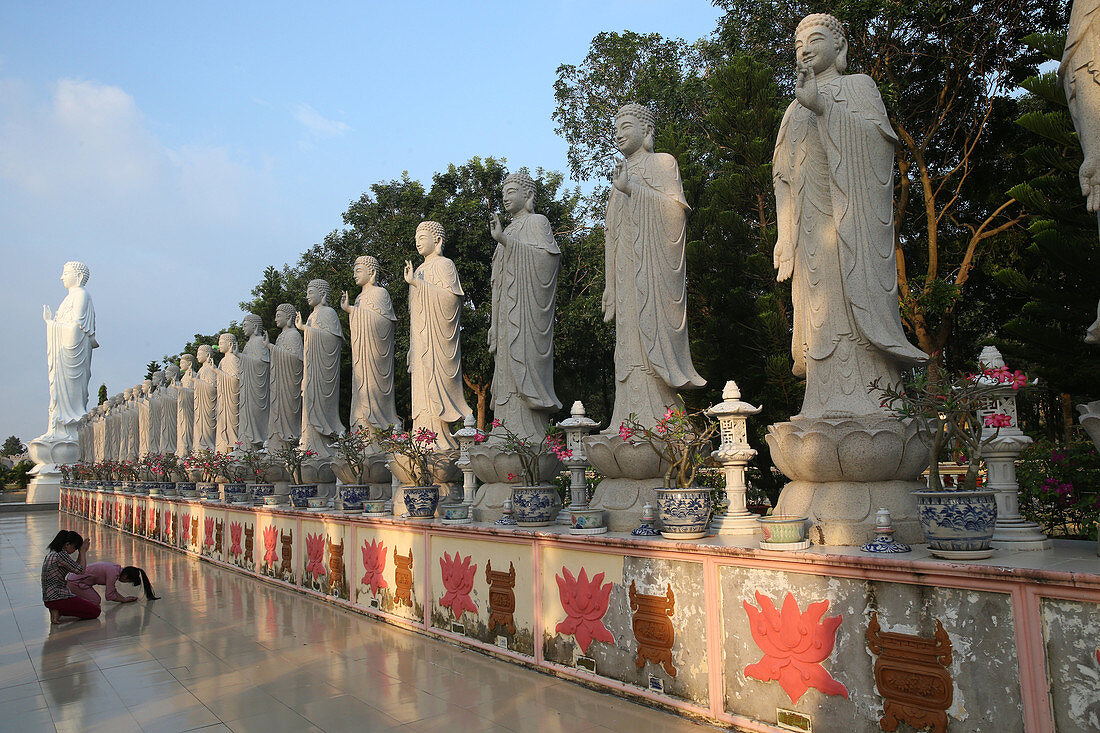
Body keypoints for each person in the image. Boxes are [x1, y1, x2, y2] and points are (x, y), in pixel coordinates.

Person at [42, 530, 99, 623]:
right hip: (58, 597)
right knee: (95, 611)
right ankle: (59, 610)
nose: (74, 551)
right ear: (67, 544)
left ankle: (55, 610)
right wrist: (83, 552)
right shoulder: (61, 555)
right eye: (75, 547)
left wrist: (81, 552)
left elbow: (75, 568)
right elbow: (81, 571)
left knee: (84, 605)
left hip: (49, 598)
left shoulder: (52, 554)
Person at [66, 562, 160, 604]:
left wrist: (123, 599)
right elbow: (109, 595)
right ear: (125, 577)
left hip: (77, 579)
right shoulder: (113, 573)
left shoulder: (115, 568)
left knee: (94, 599)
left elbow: (112, 590)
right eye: (128, 581)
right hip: (75, 582)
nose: (125, 582)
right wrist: (123, 600)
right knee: (95, 601)